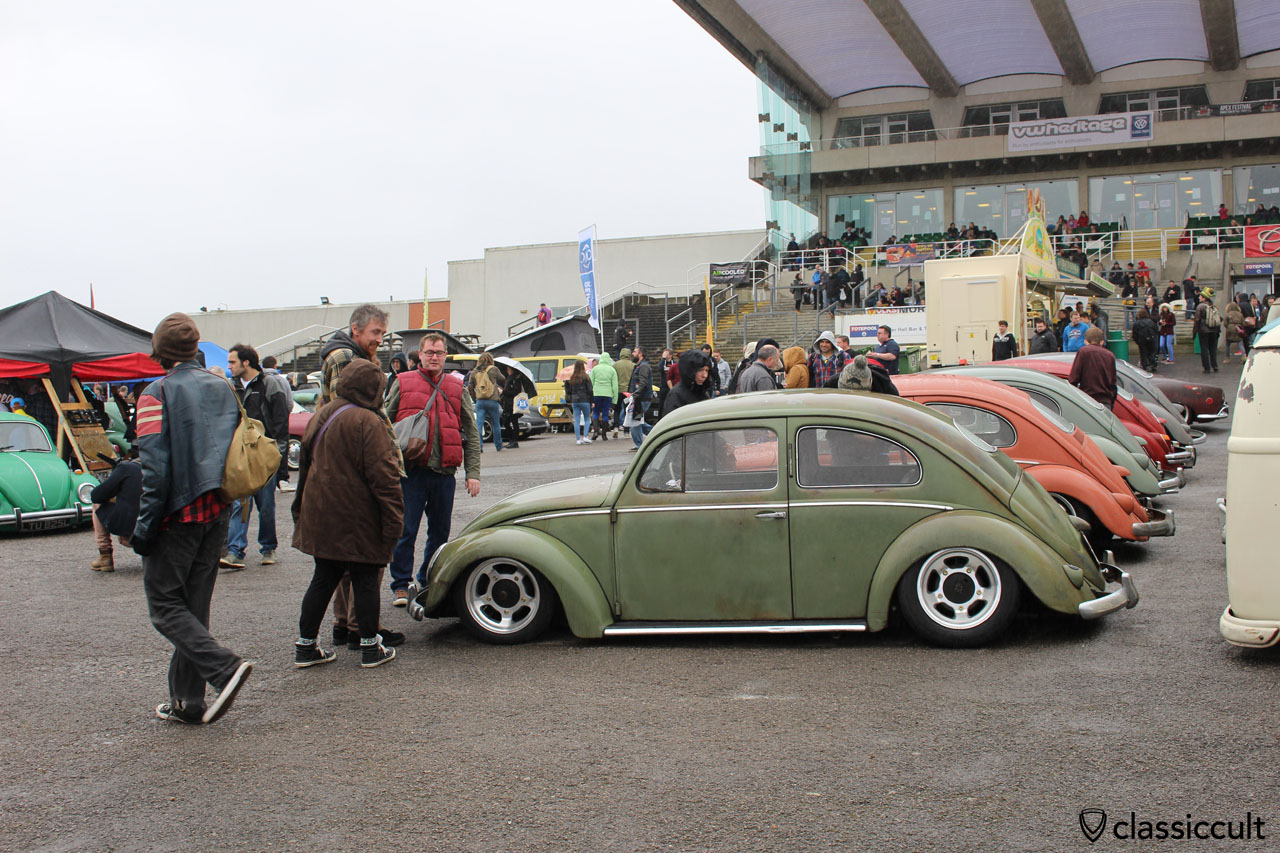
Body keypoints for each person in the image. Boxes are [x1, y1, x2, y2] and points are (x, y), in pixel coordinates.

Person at [132, 312, 252, 725]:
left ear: (160, 353)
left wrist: (144, 529)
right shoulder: (222, 384)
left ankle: (224, 668)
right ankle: (188, 702)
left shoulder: (155, 393)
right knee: (193, 608)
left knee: (166, 607)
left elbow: (154, 470)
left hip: (177, 515)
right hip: (217, 509)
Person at [292, 358, 402, 670]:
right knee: (365, 578)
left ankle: (306, 646)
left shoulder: (322, 413)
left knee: (323, 578)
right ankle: (370, 647)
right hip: (358, 516)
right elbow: (385, 478)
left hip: (321, 513)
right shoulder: (369, 422)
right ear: (375, 388)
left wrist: (299, 508)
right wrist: (394, 523)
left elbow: (304, 467)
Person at [386, 332, 482, 606]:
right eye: (429, 352)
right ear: (420, 354)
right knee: (406, 530)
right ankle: (401, 584)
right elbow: (384, 422)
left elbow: (471, 432)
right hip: (411, 472)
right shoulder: (402, 382)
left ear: (445, 356)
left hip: (444, 473)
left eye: (439, 353)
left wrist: (473, 473)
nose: (434, 357)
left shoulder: (456, 386)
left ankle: (427, 578)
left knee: (440, 533)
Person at [220, 344, 289, 571]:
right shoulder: (231, 387)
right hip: (240, 454)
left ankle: (268, 547)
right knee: (240, 503)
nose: (229, 367)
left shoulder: (270, 384)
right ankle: (235, 551)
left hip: (264, 453)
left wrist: (278, 459)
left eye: (232, 362)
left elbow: (280, 423)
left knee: (266, 505)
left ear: (246, 362)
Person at [320, 304, 388, 404]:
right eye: (375, 332)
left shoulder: (358, 357)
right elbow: (341, 410)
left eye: (382, 334)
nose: (379, 340)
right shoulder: (344, 356)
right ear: (355, 329)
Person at [90, 454, 142, 572]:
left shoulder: (127, 468)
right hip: (162, 531)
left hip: (131, 533)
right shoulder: (163, 466)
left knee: (97, 504)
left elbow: (96, 496)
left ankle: (105, 555)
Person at [1068, 327, 1117, 409]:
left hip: (1087, 398)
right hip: (1105, 400)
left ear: (1085, 341)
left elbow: (1074, 378)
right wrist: (1112, 400)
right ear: (1102, 342)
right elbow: (1113, 381)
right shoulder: (1110, 355)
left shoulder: (1083, 352)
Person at [467, 352, 505, 453]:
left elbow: (470, 387)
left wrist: (475, 398)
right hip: (492, 400)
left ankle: (479, 446)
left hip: (480, 401)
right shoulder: (494, 369)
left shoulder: (475, 372)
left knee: (479, 424)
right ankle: (498, 445)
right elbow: (503, 379)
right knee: (496, 424)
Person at [660, 349, 714, 417]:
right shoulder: (676, 395)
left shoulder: (703, 391)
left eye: (707, 370)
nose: (705, 375)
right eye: (700, 370)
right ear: (689, 370)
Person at [627, 346, 653, 448]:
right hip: (638, 398)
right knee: (638, 421)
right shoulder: (638, 366)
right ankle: (656, 434)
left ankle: (639, 444)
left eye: (634, 351)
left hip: (642, 398)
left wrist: (635, 394)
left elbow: (643, 382)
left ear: (640, 354)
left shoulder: (644, 367)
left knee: (635, 421)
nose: (632, 353)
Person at [589, 351, 618, 442]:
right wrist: (615, 398)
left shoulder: (595, 369)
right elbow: (615, 385)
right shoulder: (612, 370)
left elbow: (591, 383)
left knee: (596, 413)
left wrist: (590, 396)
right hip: (607, 394)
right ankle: (604, 434)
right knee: (605, 413)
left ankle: (596, 431)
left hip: (596, 393)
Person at [563, 360, 594, 445]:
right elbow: (590, 390)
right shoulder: (586, 377)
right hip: (585, 400)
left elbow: (568, 390)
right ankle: (586, 436)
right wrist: (592, 401)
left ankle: (578, 439)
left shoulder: (571, 378)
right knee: (587, 419)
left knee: (576, 420)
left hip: (575, 401)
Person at [499, 364, 528, 449]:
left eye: (509, 369)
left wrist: (503, 391)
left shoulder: (516, 380)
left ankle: (514, 441)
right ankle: (512, 440)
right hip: (507, 404)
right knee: (506, 422)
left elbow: (515, 392)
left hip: (513, 404)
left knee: (513, 422)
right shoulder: (509, 378)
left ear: (513, 370)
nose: (507, 371)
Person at [1193, 288, 1222, 373]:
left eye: (1200, 296)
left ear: (1204, 298)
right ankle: (1215, 366)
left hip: (1204, 331)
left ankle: (1206, 367)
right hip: (1214, 331)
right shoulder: (1213, 306)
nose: (1199, 298)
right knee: (1213, 349)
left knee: (1204, 349)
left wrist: (1194, 332)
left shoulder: (1200, 307)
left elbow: (1197, 320)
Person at [613, 347, 636, 430]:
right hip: (628, 391)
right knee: (628, 410)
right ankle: (626, 430)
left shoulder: (616, 364)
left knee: (617, 409)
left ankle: (615, 426)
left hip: (618, 390)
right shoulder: (633, 365)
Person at [1131, 308, 1160, 373]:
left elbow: (1134, 333)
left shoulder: (1137, 323)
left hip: (1141, 341)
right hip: (1152, 340)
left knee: (1143, 354)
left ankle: (1144, 367)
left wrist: (1137, 341)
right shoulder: (1151, 322)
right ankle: (1154, 364)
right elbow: (1156, 330)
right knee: (1152, 353)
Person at [1224, 298, 1245, 364]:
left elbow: (1225, 324)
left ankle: (1227, 359)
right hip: (1238, 329)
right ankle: (1244, 356)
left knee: (1227, 345)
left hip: (1230, 329)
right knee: (1240, 344)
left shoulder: (1228, 314)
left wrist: (1228, 327)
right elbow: (1243, 323)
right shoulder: (1240, 314)